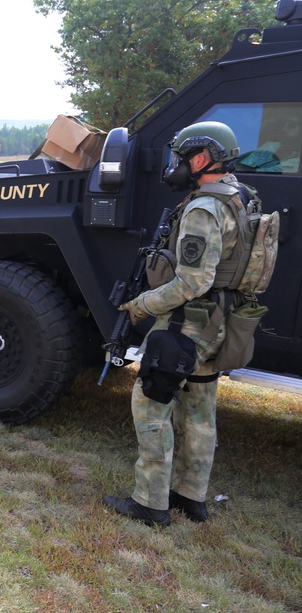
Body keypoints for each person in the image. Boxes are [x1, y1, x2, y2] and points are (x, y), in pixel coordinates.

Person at [104, 121, 254, 527]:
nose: (176, 165)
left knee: (151, 406)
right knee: (200, 410)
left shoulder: (205, 208)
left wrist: (140, 305)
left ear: (203, 158)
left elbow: (192, 280)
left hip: (186, 325)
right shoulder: (240, 196)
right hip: (219, 321)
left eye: (182, 157)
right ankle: (191, 498)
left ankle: (151, 503)